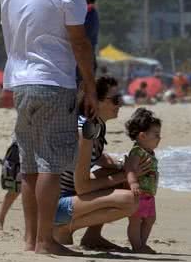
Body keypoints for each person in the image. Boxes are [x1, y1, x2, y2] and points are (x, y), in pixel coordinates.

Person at [0, 0, 98, 255]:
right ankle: (46, 241)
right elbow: (80, 43)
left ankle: (30, 240)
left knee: (29, 164)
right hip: (54, 81)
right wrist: (91, 86)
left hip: (21, 81)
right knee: (51, 164)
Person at [54, 76, 151, 250]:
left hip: (69, 196)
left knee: (124, 179)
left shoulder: (97, 126)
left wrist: (124, 164)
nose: (119, 104)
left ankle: (93, 236)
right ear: (95, 101)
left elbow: (96, 157)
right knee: (130, 200)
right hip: (57, 205)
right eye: (115, 100)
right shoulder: (85, 130)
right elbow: (82, 187)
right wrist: (125, 174)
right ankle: (64, 228)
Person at [124, 108, 161, 253]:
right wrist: (133, 183)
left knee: (150, 219)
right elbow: (130, 169)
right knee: (135, 220)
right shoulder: (137, 152)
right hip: (138, 192)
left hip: (149, 193)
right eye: (156, 135)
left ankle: (142, 243)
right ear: (143, 136)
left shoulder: (150, 152)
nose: (159, 138)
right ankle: (137, 245)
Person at [76, 0, 99, 86]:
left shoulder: (87, 12)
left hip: (83, 60)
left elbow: (78, 34)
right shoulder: (90, 12)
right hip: (86, 59)